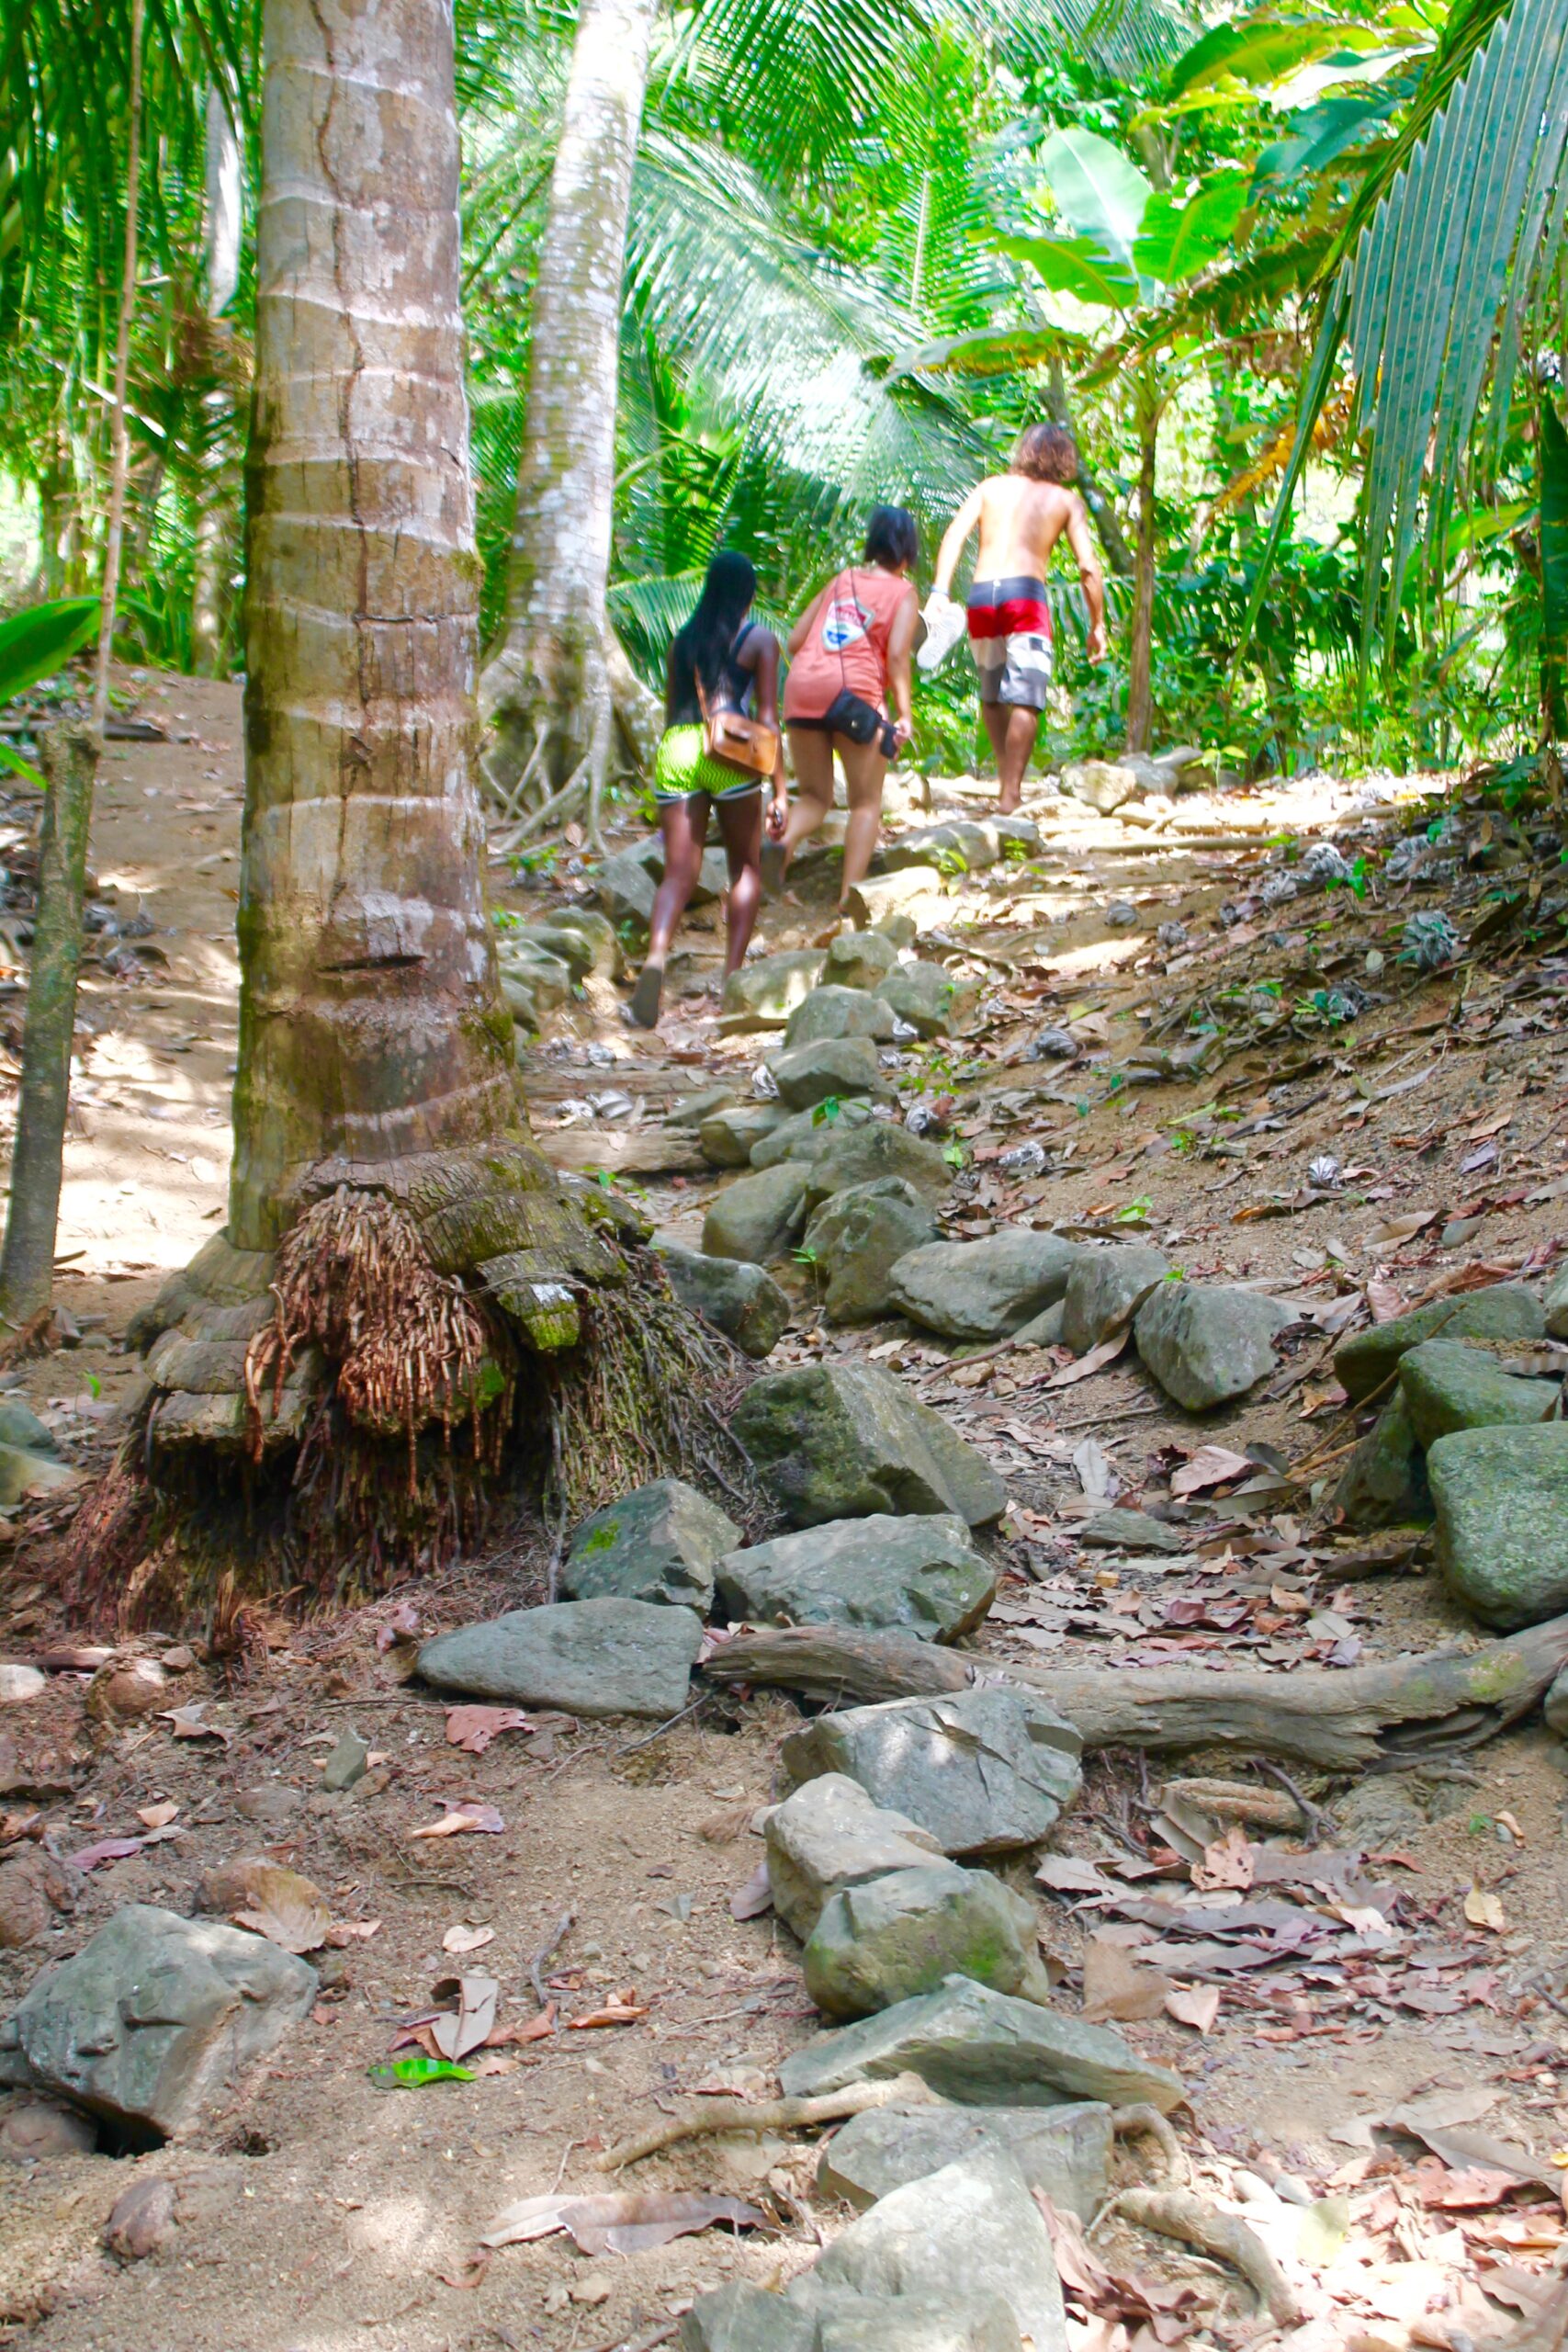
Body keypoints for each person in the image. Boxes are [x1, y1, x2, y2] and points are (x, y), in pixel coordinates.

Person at [627, 550, 787, 1029]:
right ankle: (732, 979)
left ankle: (654, 961)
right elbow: (766, 718)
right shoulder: (759, 640)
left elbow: (670, 708)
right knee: (745, 869)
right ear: (749, 595)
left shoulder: (682, 642)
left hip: (678, 748)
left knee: (678, 873)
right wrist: (780, 790)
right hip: (732, 753)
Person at [931, 424, 1107, 816]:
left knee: (992, 694)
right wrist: (1097, 625)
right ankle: (1011, 792)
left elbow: (955, 535)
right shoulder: (1065, 500)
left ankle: (1004, 779)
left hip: (982, 596)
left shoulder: (990, 488)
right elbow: (1088, 569)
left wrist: (940, 593)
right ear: (1064, 459)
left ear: (1023, 452)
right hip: (1024, 596)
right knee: (1026, 697)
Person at [771, 506, 921, 911]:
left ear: (873, 545)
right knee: (865, 803)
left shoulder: (842, 580)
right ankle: (848, 898)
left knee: (815, 800)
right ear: (908, 553)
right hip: (854, 699)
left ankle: (777, 851)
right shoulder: (903, 594)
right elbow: (898, 658)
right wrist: (904, 714)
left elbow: (796, 641)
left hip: (802, 690)